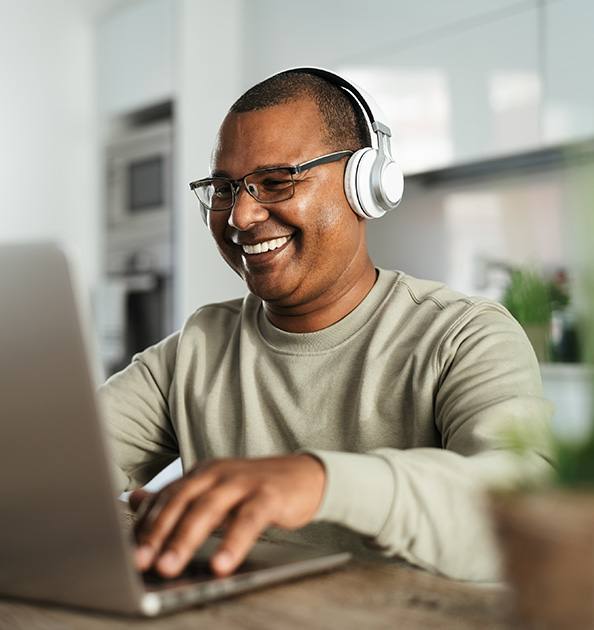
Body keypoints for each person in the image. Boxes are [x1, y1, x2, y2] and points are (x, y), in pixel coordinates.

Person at [99, 67, 555, 583]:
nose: (240, 216)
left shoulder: (464, 336)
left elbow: (522, 515)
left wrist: (317, 482)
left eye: (275, 182)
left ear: (367, 185)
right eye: (224, 189)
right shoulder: (198, 348)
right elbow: (52, 464)